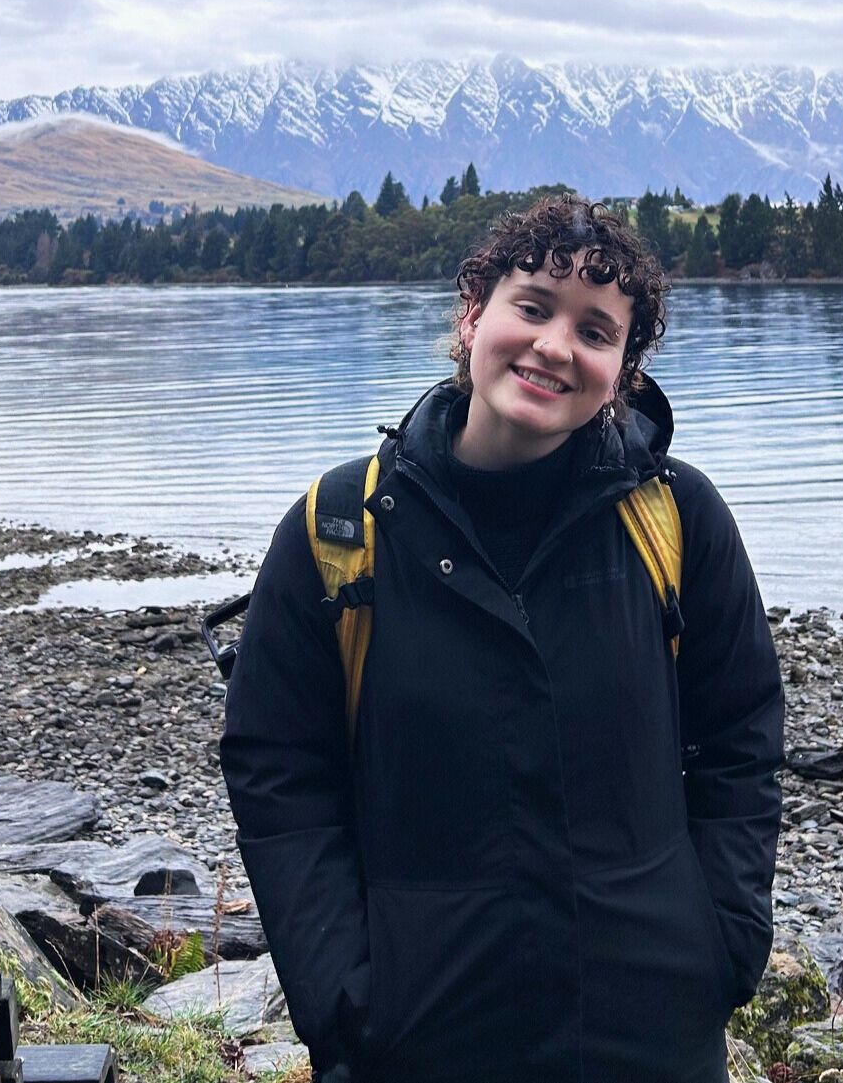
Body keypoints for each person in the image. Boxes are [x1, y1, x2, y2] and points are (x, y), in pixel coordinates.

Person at [220, 193, 783, 1083]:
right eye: (533, 306)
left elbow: (741, 734)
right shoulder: (338, 531)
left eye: (597, 331)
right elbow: (280, 775)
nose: (556, 345)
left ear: (624, 369)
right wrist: (342, 995)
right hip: (416, 1034)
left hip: (650, 1033)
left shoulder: (677, 521)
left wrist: (721, 944)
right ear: (473, 312)